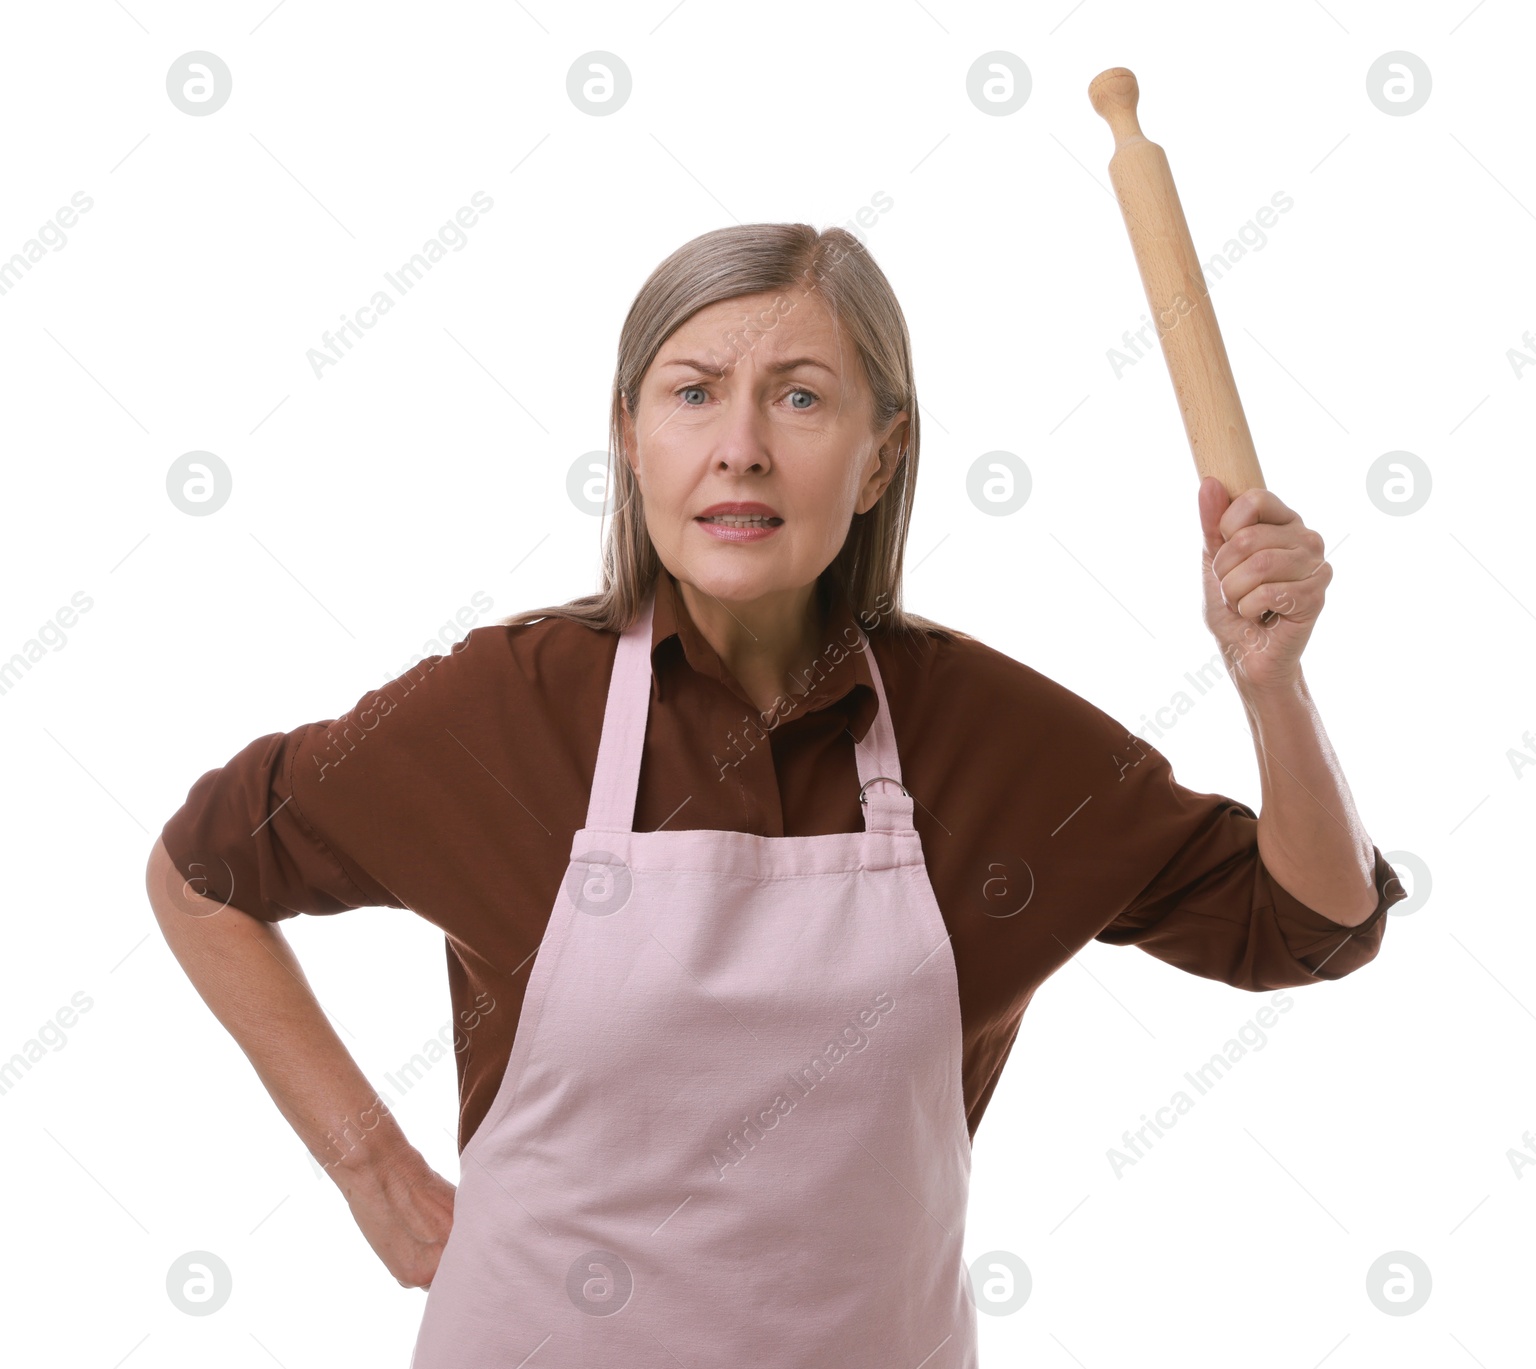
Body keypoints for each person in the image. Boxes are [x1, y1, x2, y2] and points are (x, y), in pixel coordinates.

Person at [148, 222, 1407, 1366]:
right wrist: (369, 1164)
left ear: (878, 459)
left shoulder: (989, 740)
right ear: (631, 437)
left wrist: (1270, 688)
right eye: (693, 394)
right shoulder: (505, 712)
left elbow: (1312, 924)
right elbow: (201, 874)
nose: (739, 445)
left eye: (799, 398)